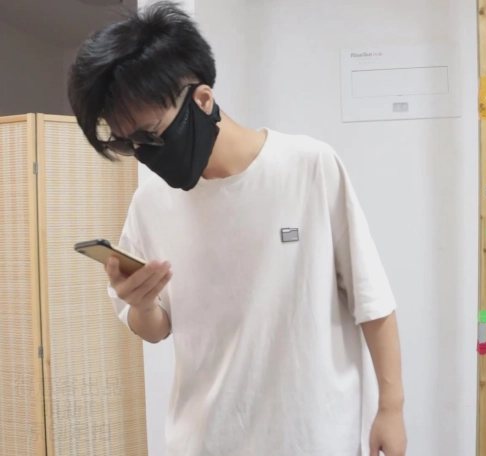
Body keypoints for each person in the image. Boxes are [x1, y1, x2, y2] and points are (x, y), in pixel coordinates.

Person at [67, 2, 407, 455]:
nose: (145, 153)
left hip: (314, 438)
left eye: (149, 134)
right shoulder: (150, 204)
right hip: (206, 440)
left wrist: (391, 408)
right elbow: (156, 328)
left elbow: (371, 298)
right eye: (129, 144)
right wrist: (142, 305)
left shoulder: (308, 166)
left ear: (202, 100)